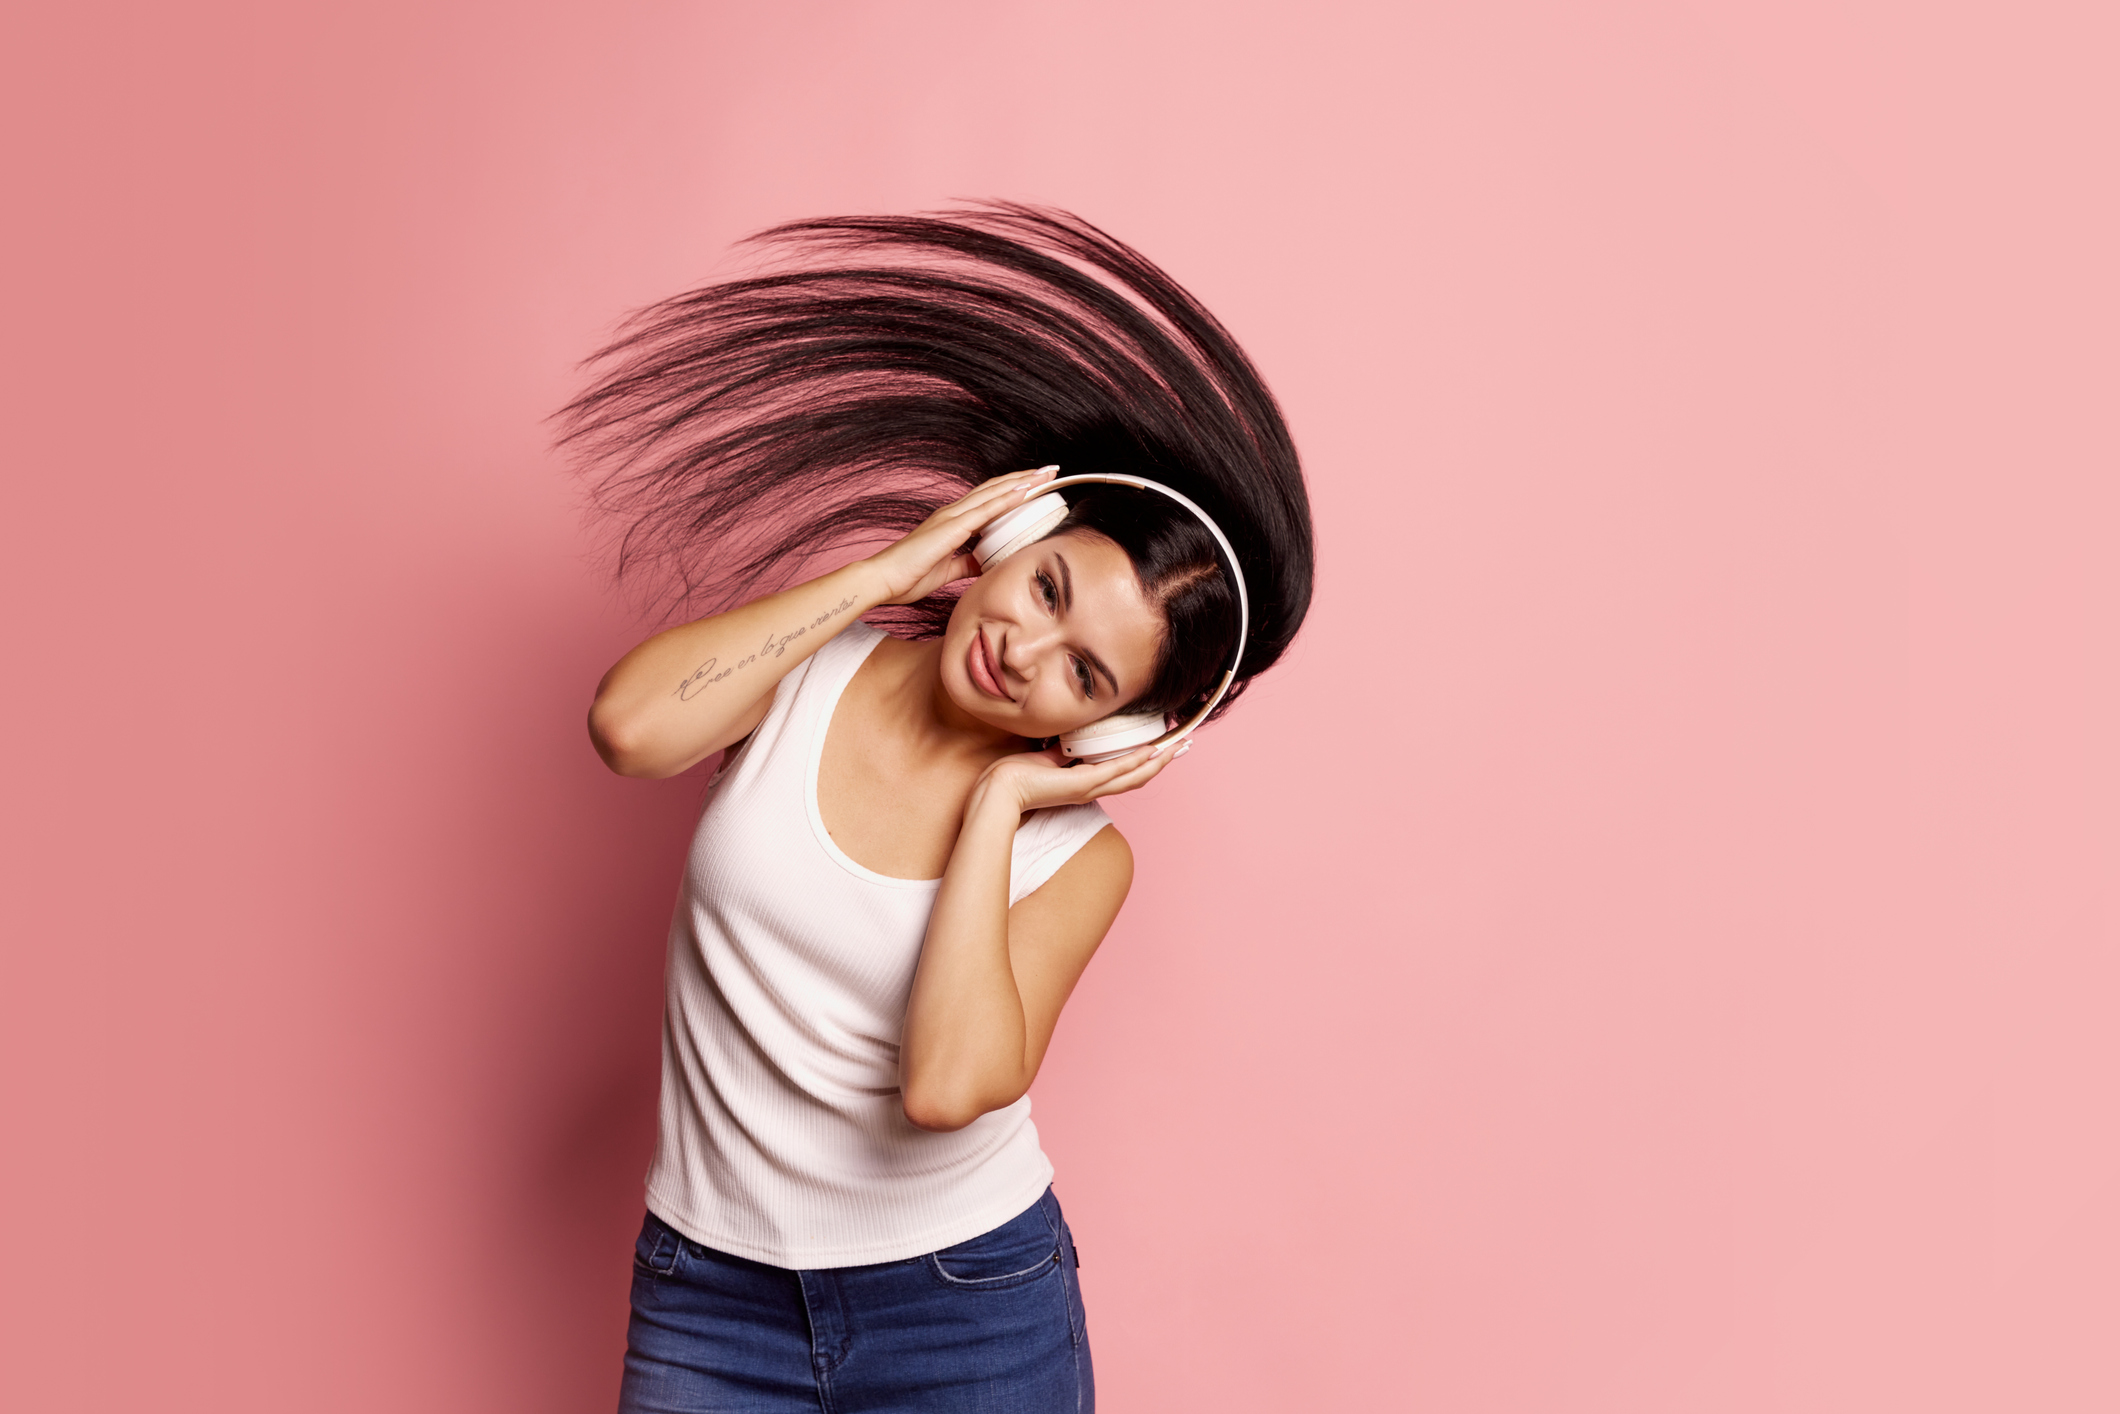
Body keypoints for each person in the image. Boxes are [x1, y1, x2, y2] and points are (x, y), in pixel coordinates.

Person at [562, 205, 1314, 1413]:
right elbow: (628, 729)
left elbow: (949, 1086)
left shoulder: (1075, 855)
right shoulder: (801, 672)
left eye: (1083, 673)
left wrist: (1002, 804)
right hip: (707, 1289)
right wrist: (884, 571)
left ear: (1113, 728)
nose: (1025, 650)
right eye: (1048, 584)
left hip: (963, 1308)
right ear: (1009, 530)